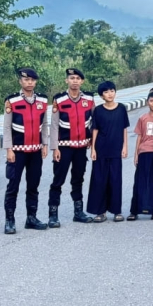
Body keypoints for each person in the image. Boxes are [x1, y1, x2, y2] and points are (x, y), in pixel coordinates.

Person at [2, 67, 49, 234]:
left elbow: (44, 125)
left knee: (33, 185)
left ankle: (31, 218)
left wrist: (45, 144)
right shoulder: (12, 101)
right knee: (13, 186)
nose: (29, 83)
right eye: (26, 80)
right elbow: (6, 127)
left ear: (35, 82)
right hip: (17, 151)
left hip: (35, 151)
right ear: (20, 81)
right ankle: (10, 220)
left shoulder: (42, 101)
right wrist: (9, 149)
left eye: (32, 80)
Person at [47, 68, 95, 228]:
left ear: (82, 81)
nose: (75, 81)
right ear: (66, 80)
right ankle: (53, 214)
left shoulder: (89, 98)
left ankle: (78, 212)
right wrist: (55, 148)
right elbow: (53, 125)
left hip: (81, 147)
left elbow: (94, 122)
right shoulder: (59, 100)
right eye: (72, 78)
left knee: (78, 179)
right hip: (64, 147)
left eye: (78, 78)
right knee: (58, 181)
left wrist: (92, 142)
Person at [86, 81, 130, 222]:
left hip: (116, 149)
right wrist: (93, 149)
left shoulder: (121, 109)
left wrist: (125, 147)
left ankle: (116, 211)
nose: (110, 94)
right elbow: (95, 130)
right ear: (101, 95)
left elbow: (124, 129)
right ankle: (101, 212)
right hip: (101, 149)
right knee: (99, 180)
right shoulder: (98, 110)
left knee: (115, 180)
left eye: (112, 91)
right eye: (106, 92)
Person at [129, 87, 153, 221]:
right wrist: (136, 154)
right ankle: (135, 210)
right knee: (140, 181)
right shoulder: (142, 118)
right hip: (144, 152)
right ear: (147, 102)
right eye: (152, 100)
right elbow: (139, 137)